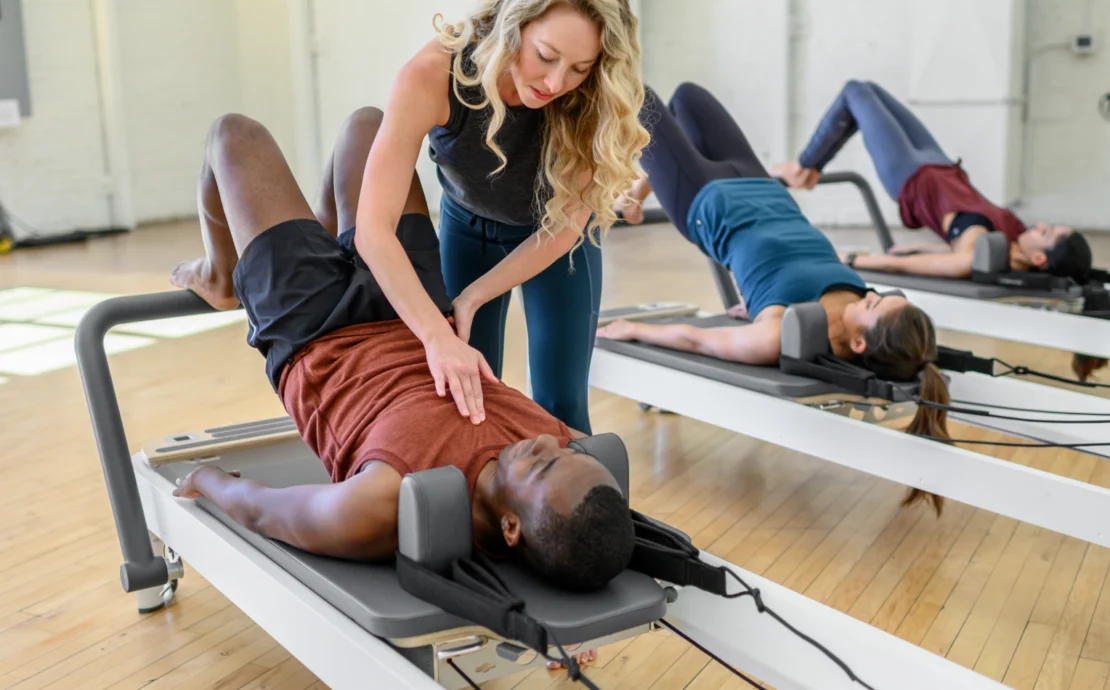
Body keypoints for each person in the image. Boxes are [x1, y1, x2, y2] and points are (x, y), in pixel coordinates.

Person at [168, 108, 634, 594]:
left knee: (233, 134)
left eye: (541, 464)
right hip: (417, 313)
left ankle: (223, 276)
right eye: (563, 448)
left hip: (317, 335)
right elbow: (608, 525)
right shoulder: (558, 454)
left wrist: (208, 479)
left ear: (511, 528)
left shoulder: (383, 502)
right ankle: (327, 242)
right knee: (370, 127)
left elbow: (266, 510)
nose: (545, 440)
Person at [606, 82, 950, 514]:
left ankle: (636, 187)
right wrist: (757, 302)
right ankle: (637, 192)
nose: (872, 295)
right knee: (688, 97)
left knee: (634, 92)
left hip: (703, 199)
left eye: (874, 305)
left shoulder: (772, 335)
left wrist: (633, 329)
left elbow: (697, 340)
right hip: (761, 183)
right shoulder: (847, 300)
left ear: (860, 344)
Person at [350, 0, 649, 435]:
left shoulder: (594, 96)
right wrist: (436, 336)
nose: (556, 82)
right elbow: (373, 230)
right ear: (513, 25)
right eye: (545, 56)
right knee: (470, 398)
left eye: (579, 68)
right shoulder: (433, 74)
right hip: (465, 228)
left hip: (553, 240)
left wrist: (474, 297)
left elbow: (565, 228)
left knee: (559, 408)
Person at [773, 80, 1092, 283]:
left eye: (1045, 233)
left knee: (855, 92)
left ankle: (803, 169)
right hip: (938, 162)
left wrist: (856, 259)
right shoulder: (1013, 236)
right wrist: (915, 248)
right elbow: (948, 247)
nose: (1038, 226)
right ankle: (808, 170)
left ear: (1039, 258)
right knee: (871, 89)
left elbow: (928, 266)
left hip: (909, 176)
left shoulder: (977, 255)